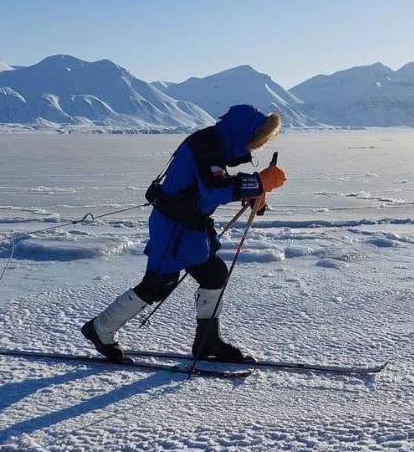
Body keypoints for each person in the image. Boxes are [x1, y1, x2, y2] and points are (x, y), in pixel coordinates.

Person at [82, 104, 287, 363]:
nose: (252, 146)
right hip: (172, 228)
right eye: (253, 139)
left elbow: (210, 185)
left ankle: (207, 342)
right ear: (242, 132)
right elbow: (214, 188)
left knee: (214, 274)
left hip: (190, 229)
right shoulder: (206, 146)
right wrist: (258, 182)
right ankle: (99, 329)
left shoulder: (214, 144)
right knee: (157, 285)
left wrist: (253, 192)